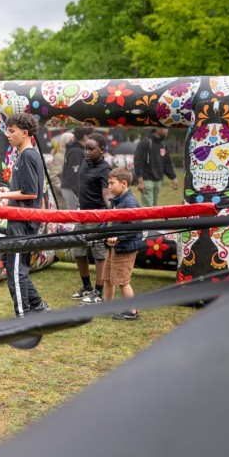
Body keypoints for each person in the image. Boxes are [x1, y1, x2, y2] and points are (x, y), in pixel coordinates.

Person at [0, 113, 49, 317]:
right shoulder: (25, 155)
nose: (8, 135)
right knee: (10, 263)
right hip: (19, 220)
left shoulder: (28, 155)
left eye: (12, 131)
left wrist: (0, 195)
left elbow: (31, 192)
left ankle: (23, 315)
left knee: (16, 271)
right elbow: (25, 191)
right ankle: (37, 305)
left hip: (23, 222)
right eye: (7, 131)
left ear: (25, 133)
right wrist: (8, 197)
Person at [72, 133, 112, 304]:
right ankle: (86, 287)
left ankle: (99, 292)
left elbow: (107, 194)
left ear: (102, 149)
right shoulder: (86, 161)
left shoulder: (105, 169)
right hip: (82, 214)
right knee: (78, 250)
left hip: (97, 217)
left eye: (91, 149)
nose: (87, 152)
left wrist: (111, 214)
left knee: (99, 254)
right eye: (85, 148)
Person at [102, 168, 143, 320]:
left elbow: (134, 228)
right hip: (113, 247)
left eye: (112, 183)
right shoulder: (116, 200)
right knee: (107, 278)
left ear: (124, 183)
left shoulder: (130, 203)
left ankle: (132, 312)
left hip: (125, 248)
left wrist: (118, 237)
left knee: (122, 281)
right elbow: (109, 221)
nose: (109, 187)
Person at [133, 127, 177, 207]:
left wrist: (173, 177)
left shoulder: (163, 144)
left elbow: (167, 163)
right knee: (148, 207)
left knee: (154, 206)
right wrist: (140, 181)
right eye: (165, 128)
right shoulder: (146, 142)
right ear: (157, 128)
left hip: (158, 181)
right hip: (146, 180)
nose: (167, 130)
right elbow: (138, 162)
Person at [59, 127, 91, 211]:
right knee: (73, 217)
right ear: (85, 137)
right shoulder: (76, 152)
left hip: (73, 189)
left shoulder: (77, 149)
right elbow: (75, 175)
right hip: (72, 191)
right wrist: (80, 195)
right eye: (90, 136)